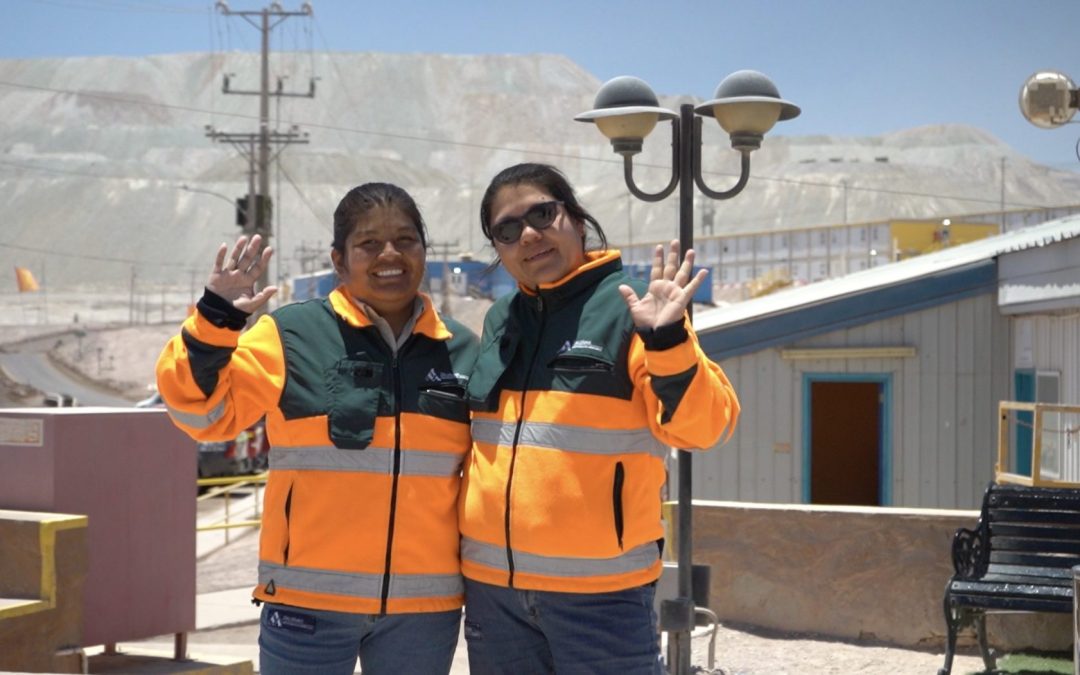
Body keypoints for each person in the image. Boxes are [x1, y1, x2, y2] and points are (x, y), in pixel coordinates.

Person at [156, 182, 479, 675]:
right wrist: (214, 321)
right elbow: (205, 416)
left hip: (423, 611)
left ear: (423, 251)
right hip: (308, 605)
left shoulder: (461, 350)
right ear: (339, 261)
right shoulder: (290, 336)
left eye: (405, 240)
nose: (389, 254)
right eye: (369, 243)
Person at [459, 163, 741, 674]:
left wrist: (668, 341)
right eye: (507, 229)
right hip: (494, 596)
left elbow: (704, 429)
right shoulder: (501, 319)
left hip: (601, 597)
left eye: (542, 215)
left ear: (577, 220)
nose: (528, 235)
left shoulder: (631, 309)